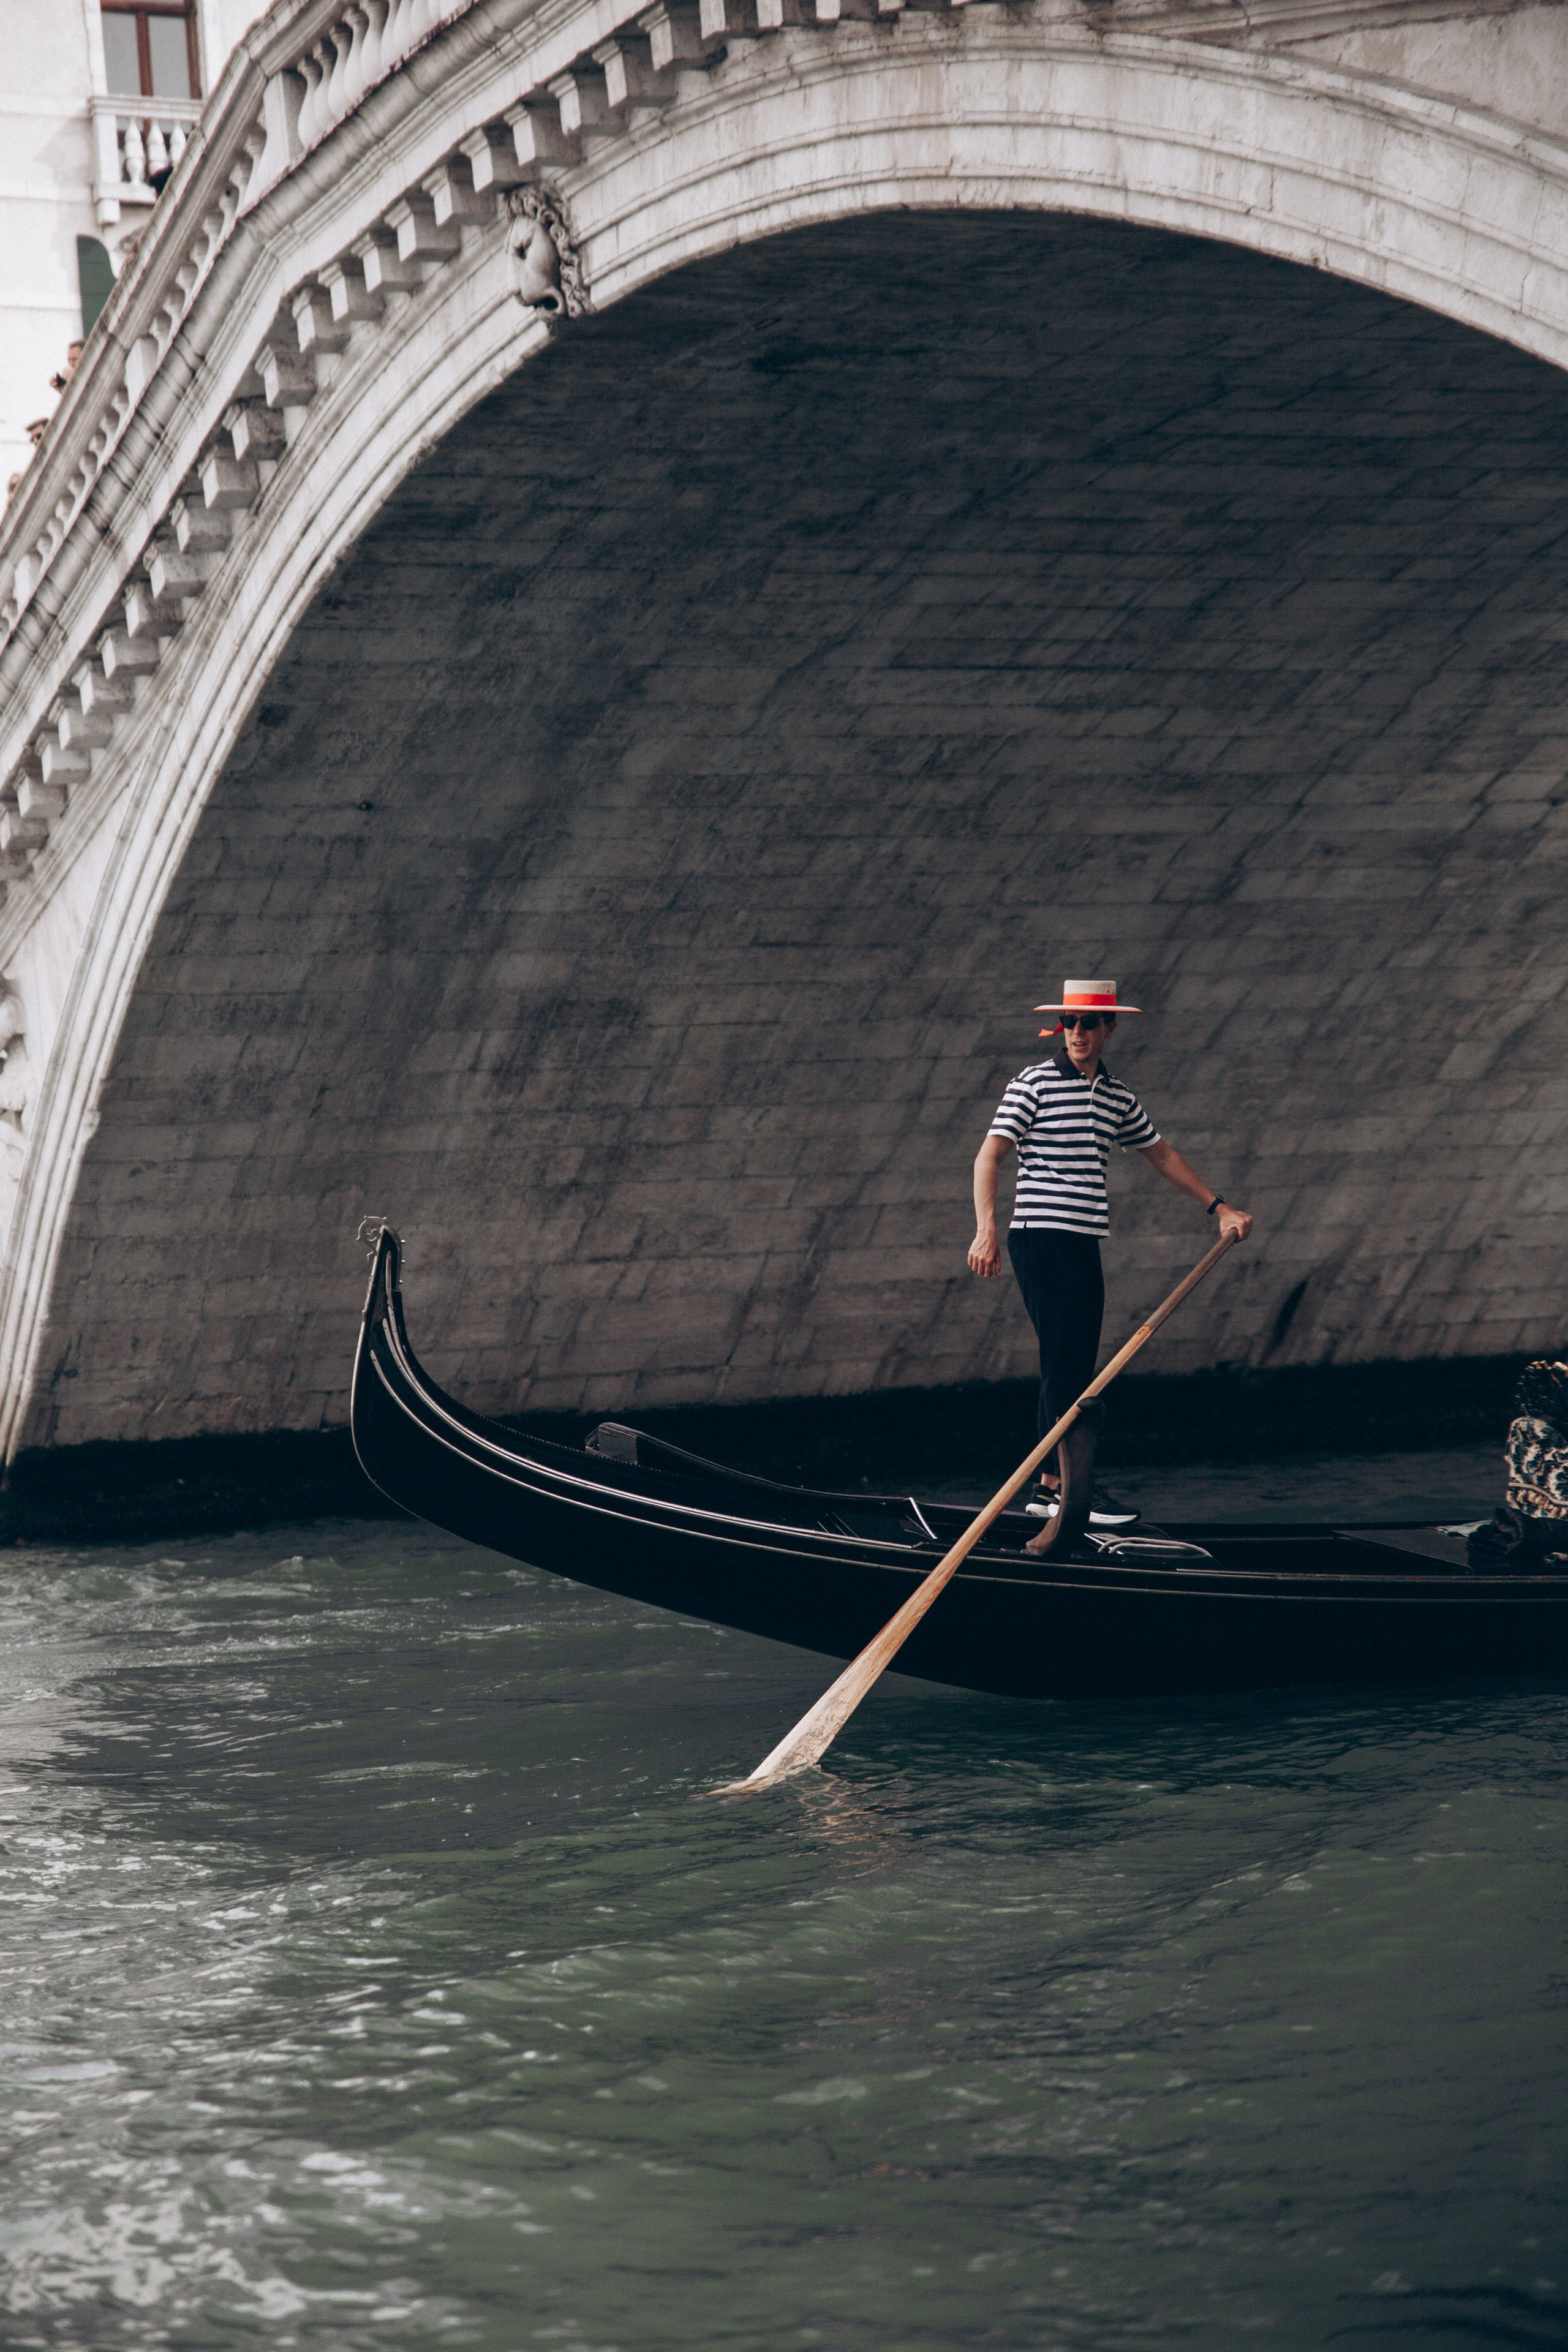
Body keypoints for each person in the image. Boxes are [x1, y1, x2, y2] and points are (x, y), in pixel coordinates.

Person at [968, 980, 1253, 1527]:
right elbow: (990, 1156)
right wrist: (986, 1231)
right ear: (1062, 1027)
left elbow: (1160, 1154)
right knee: (1066, 1359)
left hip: (1082, 1240)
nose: (1078, 1032)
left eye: (1089, 1023)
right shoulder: (1033, 1083)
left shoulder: (1116, 1095)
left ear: (1109, 1029)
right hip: (1040, 1235)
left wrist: (1219, 1207)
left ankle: (1050, 1488)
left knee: (1074, 1362)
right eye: (1070, 1022)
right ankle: (1066, 1487)